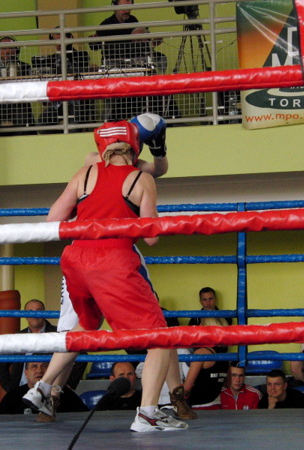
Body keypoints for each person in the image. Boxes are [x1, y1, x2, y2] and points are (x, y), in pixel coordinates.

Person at [23, 120, 193, 432]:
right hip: (113, 261)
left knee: (87, 323)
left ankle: (43, 387)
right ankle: (148, 414)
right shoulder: (140, 178)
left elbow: (53, 220)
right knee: (159, 336)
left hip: (75, 260)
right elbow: (151, 237)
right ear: (135, 145)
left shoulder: (85, 172)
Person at [90, 0, 175, 120]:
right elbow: (94, 46)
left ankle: (160, 115)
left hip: (135, 63)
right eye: (124, 7)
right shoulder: (106, 24)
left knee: (159, 70)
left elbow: (139, 44)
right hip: (115, 66)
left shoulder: (133, 20)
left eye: (129, 7)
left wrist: (150, 44)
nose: (127, 11)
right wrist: (94, 40)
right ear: (115, 6)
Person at [34, 28, 95, 128]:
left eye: (61, 40)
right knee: (41, 124)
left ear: (70, 39)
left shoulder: (82, 55)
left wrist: (67, 48)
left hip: (76, 102)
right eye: (55, 41)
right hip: (57, 103)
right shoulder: (51, 59)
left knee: (74, 127)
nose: (58, 44)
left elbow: (78, 68)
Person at [0, 362, 87, 415]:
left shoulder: (66, 394)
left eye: (44, 366)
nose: (39, 370)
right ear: (26, 373)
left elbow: (83, 417)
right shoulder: (12, 397)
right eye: (34, 366)